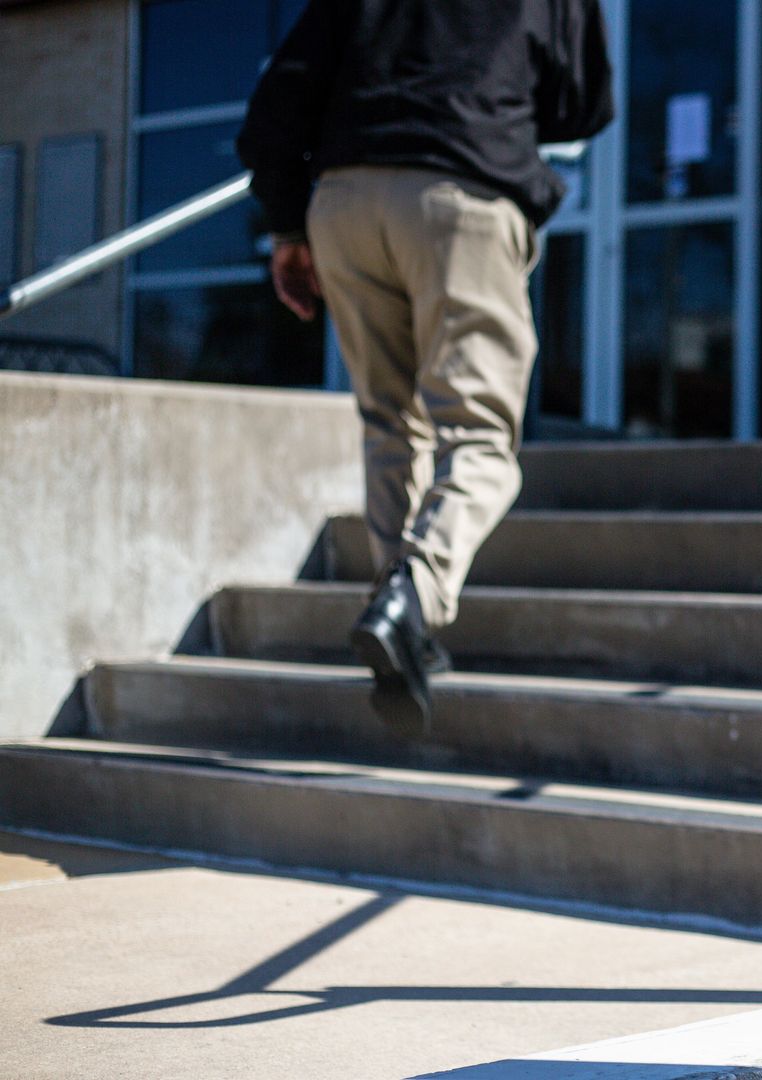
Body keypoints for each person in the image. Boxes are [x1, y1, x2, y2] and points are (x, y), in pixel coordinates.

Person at [237, 0, 614, 734]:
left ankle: (403, 621)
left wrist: (286, 222)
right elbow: (583, 102)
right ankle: (412, 595)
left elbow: (278, 100)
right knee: (478, 438)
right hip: (462, 192)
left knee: (388, 422)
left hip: (345, 202)